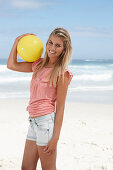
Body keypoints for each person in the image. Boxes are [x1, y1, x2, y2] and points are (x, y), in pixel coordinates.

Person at [7, 27, 73, 170]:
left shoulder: (63, 73)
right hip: (33, 122)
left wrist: (55, 139)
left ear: (64, 49)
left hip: (46, 124)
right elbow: (11, 65)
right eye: (50, 43)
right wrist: (17, 41)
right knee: (26, 168)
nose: (52, 48)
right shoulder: (38, 64)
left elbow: (60, 106)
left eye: (58, 45)